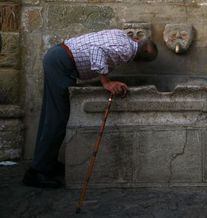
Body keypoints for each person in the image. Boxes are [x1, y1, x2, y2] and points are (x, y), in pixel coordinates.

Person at [23, 29, 158, 188]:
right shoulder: (128, 50)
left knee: (51, 115)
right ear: (141, 59)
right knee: (58, 119)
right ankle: (37, 172)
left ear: (139, 40)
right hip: (62, 63)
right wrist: (106, 82)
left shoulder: (123, 36)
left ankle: (46, 163)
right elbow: (96, 49)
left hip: (58, 57)